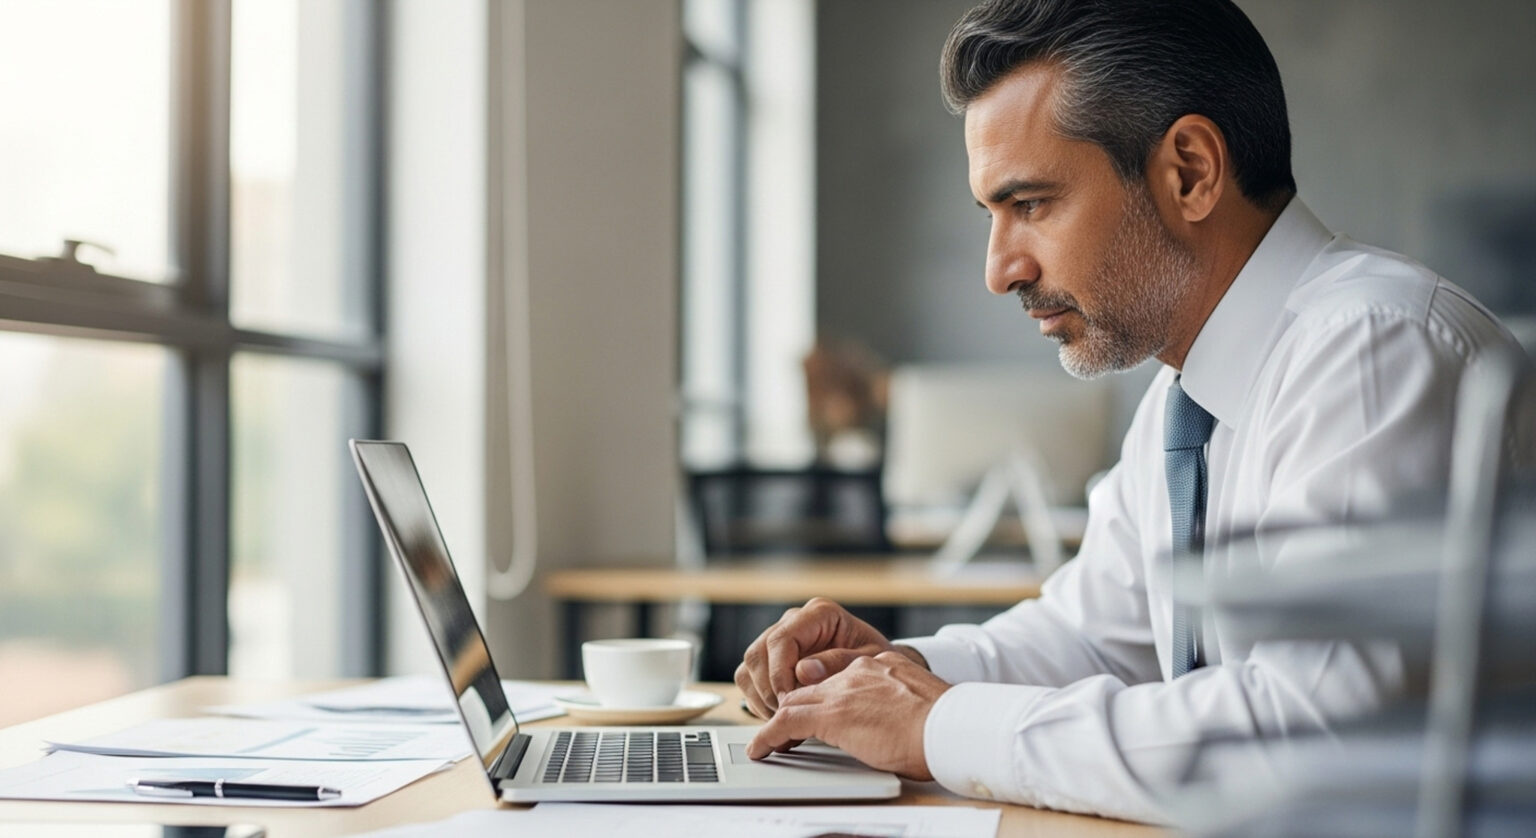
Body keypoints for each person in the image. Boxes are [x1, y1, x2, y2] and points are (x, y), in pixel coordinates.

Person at [735, 0, 1521, 822]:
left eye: (1030, 205)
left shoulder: (1374, 351)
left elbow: (1315, 733)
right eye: (992, 215)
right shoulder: (1187, 400)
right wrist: (890, 675)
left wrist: (937, 724)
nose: (999, 271)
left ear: (1190, 172)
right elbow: (1094, 636)